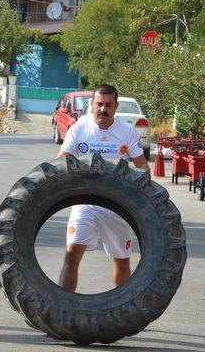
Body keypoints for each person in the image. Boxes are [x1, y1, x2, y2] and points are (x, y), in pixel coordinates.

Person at [57, 84, 150, 292]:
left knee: (122, 261)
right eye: (99, 104)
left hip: (118, 207)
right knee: (71, 254)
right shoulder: (80, 128)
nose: (103, 109)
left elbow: (141, 164)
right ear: (91, 105)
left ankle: (122, 310)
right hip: (85, 204)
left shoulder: (126, 131)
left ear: (116, 106)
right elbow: (60, 164)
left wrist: (145, 180)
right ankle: (63, 308)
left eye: (108, 105)